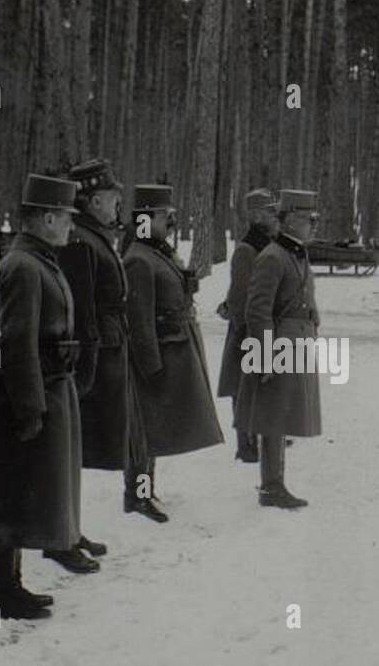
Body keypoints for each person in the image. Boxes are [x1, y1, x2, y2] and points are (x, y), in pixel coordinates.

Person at [0, 174, 85, 619]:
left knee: (18, 490)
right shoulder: (24, 266)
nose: (71, 225)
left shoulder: (38, 260)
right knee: (8, 491)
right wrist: (30, 409)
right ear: (47, 217)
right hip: (23, 395)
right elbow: (18, 343)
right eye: (67, 217)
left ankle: (10, 582)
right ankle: (1, 589)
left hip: (45, 387)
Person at [122, 183, 224, 521]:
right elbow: (138, 320)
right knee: (144, 432)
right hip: (156, 354)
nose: (172, 222)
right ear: (144, 219)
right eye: (165, 216)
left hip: (172, 348)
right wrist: (150, 366)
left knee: (155, 430)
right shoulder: (138, 258)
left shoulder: (157, 252)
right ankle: (136, 496)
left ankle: (146, 490)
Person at [48, 157, 130, 573]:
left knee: (75, 447)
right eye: (114, 198)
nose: (119, 205)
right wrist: (87, 368)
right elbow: (78, 310)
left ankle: (69, 529)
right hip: (87, 361)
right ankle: (59, 537)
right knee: (66, 448)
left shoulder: (93, 234)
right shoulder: (80, 240)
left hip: (102, 353)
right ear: (95, 200)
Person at [235, 189, 322, 508]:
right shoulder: (272, 256)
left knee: (284, 416)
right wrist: (266, 356)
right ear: (289, 221)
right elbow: (257, 311)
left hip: (296, 341)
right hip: (279, 345)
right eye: (307, 220)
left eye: (315, 219)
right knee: (273, 417)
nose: (313, 225)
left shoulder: (296, 253)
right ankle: (271, 486)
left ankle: (276, 483)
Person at [218, 188, 280, 464]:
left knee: (258, 385)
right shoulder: (246, 249)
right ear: (256, 216)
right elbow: (240, 293)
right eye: (269, 211)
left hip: (260, 324)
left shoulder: (268, 245)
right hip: (246, 328)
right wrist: (244, 326)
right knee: (241, 388)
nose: (274, 216)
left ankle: (261, 435)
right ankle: (244, 444)